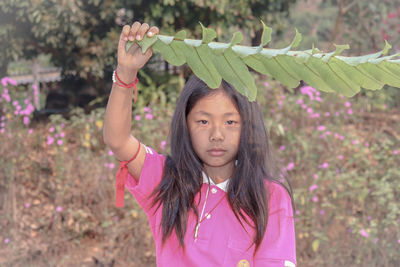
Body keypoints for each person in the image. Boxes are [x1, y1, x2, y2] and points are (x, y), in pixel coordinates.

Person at [103, 21, 297, 267]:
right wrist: (126, 72)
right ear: (185, 125)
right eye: (203, 121)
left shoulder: (269, 197)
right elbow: (117, 140)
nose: (217, 134)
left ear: (247, 126)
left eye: (230, 122)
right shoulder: (167, 183)